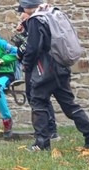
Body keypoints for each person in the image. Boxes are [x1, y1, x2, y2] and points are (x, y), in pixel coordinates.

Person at [18, 0, 89, 152]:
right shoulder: (51, 13)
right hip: (61, 66)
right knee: (70, 106)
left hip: (44, 69)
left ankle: (41, 143)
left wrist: (26, 65)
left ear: (24, 5)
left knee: (38, 103)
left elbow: (33, 48)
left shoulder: (36, 20)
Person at [12, 9, 58, 141]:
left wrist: (23, 57)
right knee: (33, 97)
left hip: (38, 66)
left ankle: (50, 130)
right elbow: (22, 45)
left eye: (22, 18)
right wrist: (20, 33)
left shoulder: (35, 24)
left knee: (40, 97)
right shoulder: (28, 28)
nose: (21, 20)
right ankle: (43, 131)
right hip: (31, 66)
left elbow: (29, 47)